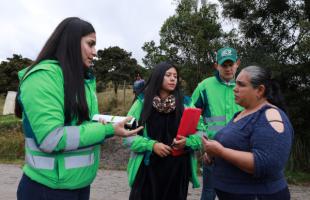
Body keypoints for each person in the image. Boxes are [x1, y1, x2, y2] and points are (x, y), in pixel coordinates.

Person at [14, 17, 143, 200]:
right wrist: (107, 129)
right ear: (72, 43)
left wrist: (110, 123)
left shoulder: (82, 80)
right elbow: (52, 138)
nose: (95, 52)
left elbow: (82, 123)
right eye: (90, 44)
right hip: (47, 189)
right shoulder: (43, 77)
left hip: (80, 187)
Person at [201, 66, 293, 200]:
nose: (235, 88)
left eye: (241, 85)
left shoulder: (270, 115)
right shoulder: (241, 114)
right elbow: (234, 145)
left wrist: (221, 152)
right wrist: (212, 155)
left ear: (260, 90)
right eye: (236, 83)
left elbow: (266, 163)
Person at [124, 61, 204, 200]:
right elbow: (127, 136)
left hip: (177, 171)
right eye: (168, 75)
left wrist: (188, 142)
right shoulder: (141, 103)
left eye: (175, 75)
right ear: (158, 76)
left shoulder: (186, 103)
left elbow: (202, 133)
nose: (173, 78)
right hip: (148, 170)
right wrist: (152, 145)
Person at [191, 47, 243, 200]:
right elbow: (193, 115)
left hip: (239, 152)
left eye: (231, 64)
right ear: (216, 66)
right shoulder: (204, 87)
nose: (228, 68)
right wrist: (204, 144)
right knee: (209, 193)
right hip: (212, 153)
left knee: (238, 194)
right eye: (224, 65)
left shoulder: (245, 86)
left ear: (238, 63)